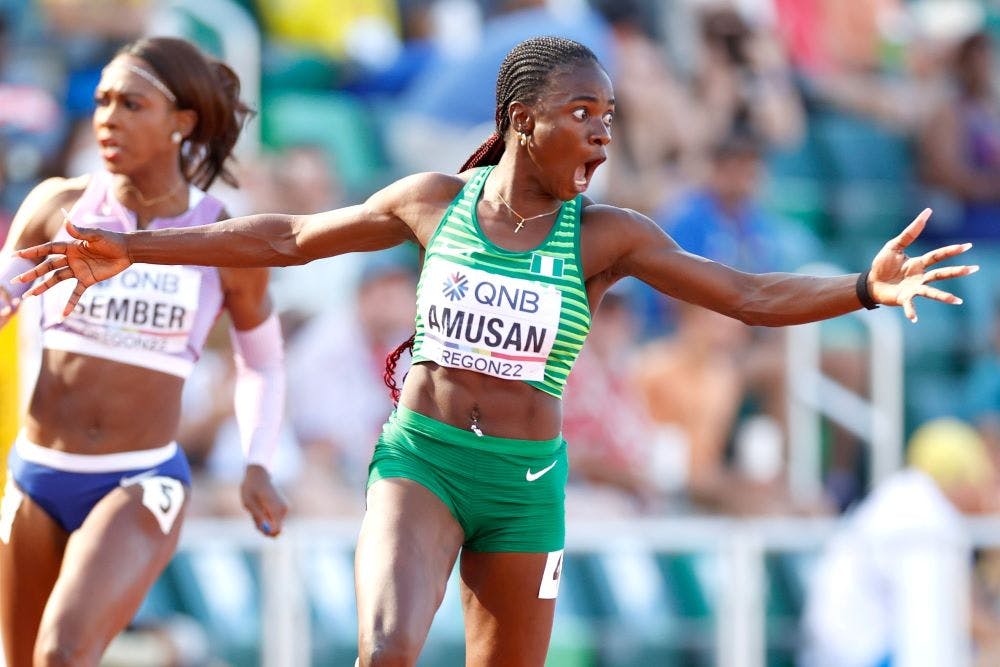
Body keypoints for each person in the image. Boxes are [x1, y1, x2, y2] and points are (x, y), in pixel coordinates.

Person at [11, 35, 978, 667]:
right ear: (524, 120)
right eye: (585, 115)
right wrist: (136, 246)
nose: (603, 134)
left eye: (611, 117)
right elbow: (286, 238)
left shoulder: (610, 234)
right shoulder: (433, 201)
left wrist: (862, 286)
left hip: (526, 485)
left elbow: (749, 294)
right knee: (385, 649)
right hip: (420, 463)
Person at [0, 37, 288, 666]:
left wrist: (258, 461)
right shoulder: (57, 205)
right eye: (102, 101)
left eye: (132, 103)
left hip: (140, 477)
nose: (108, 117)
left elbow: (261, 359)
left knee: (64, 652)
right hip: (35, 472)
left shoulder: (224, 236)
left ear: (183, 122)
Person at [800, 417, 1000, 667]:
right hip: (863, 656)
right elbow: (924, 641)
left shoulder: (907, 500)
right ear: (963, 481)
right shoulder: (926, 518)